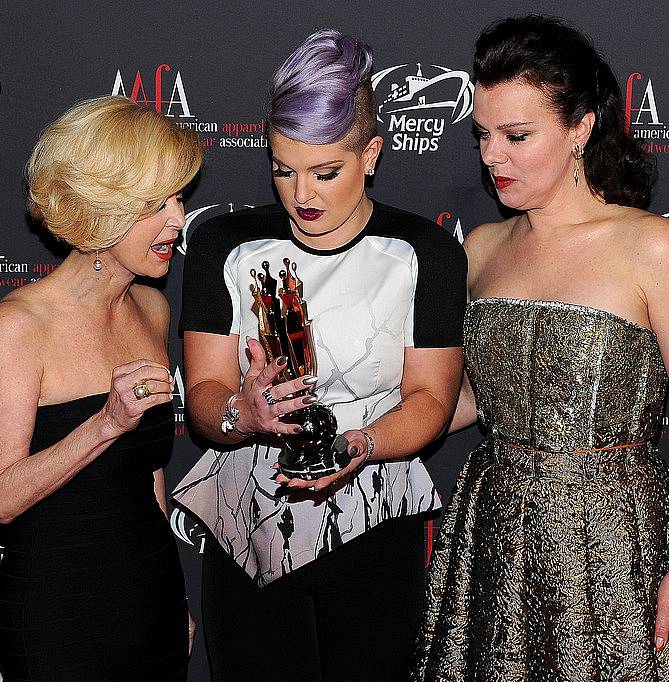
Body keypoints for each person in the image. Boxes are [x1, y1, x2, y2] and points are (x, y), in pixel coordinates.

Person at [415, 16, 669, 681]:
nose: (492, 157)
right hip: (493, 532)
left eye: (517, 136)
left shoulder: (652, 246)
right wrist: (369, 425)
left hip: (613, 538)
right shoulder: (480, 249)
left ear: (580, 128)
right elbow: (470, 399)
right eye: (483, 135)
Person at [173, 29, 467, 681]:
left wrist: (359, 444)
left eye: (324, 171)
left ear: (372, 155)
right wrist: (240, 417)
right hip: (249, 530)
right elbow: (204, 392)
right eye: (283, 169)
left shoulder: (425, 253)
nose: (301, 193)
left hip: (371, 526)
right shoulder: (225, 244)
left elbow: (430, 400)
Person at [0, 96, 201, 681]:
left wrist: (172, 602)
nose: (177, 220)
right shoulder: (19, 328)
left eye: (177, 199)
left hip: (151, 606)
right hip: (60, 618)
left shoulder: (149, 309)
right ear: (101, 212)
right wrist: (105, 424)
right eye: (155, 205)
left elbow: (149, 477)